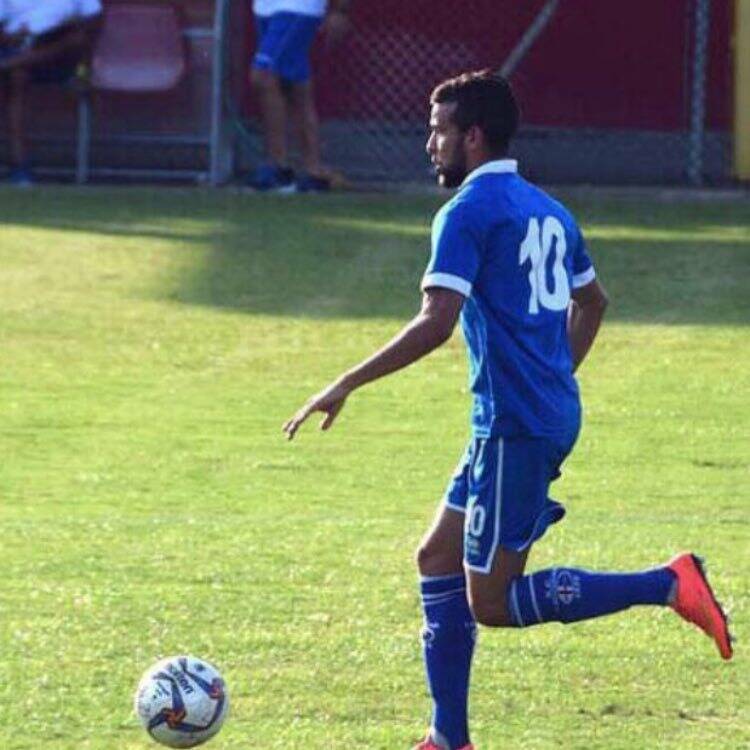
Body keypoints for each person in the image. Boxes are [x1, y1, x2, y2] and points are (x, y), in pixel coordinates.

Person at [283, 70, 733, 750]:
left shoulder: (466, 212)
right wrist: (552, 376)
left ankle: (667, 584)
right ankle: (448, 737)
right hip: (521, 419)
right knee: (437, 557)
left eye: (437, 131)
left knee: (490, 604)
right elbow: (595, 302)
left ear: (472, 135)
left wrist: (346, 381)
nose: (428, 144)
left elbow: (437, 321)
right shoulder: (548, 209)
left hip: (516, 429)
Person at [247, 0, 350, 192]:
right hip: (265, 8)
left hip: (298, 7)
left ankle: (278, 165)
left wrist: (340, 9)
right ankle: (312, 169)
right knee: (296, 86)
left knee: (263, 75)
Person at [0, 0, 102, 186]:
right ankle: (20, 166)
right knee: (17, 77)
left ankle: (8, 64)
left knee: (76, 38)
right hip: (19, 47)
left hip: (60, 57)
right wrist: (8, 37)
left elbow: (93, 23)